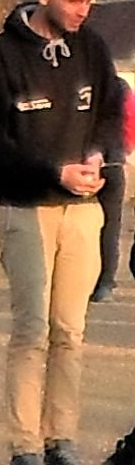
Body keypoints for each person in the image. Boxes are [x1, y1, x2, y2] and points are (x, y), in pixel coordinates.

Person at [0, 0, 125, 465]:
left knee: (71, 333)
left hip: (83, 211)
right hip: (27, 210)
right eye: (75, 0)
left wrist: (97, 156)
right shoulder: (0, 57)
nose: (84, 10)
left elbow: (112, 112)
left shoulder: (93, 48)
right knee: (32, 331)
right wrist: (51, 170)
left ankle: (62, 440)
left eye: (89, 1)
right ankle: (24, 449)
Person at [91, 78, 133, 302]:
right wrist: (122, 150)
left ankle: (86, 280)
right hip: (113, 162)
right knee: (110, 225)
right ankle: (105, 281)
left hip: (80, 164)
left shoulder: (77, 80)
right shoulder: (120, 86)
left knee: (79, 226)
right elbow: (131, 121)